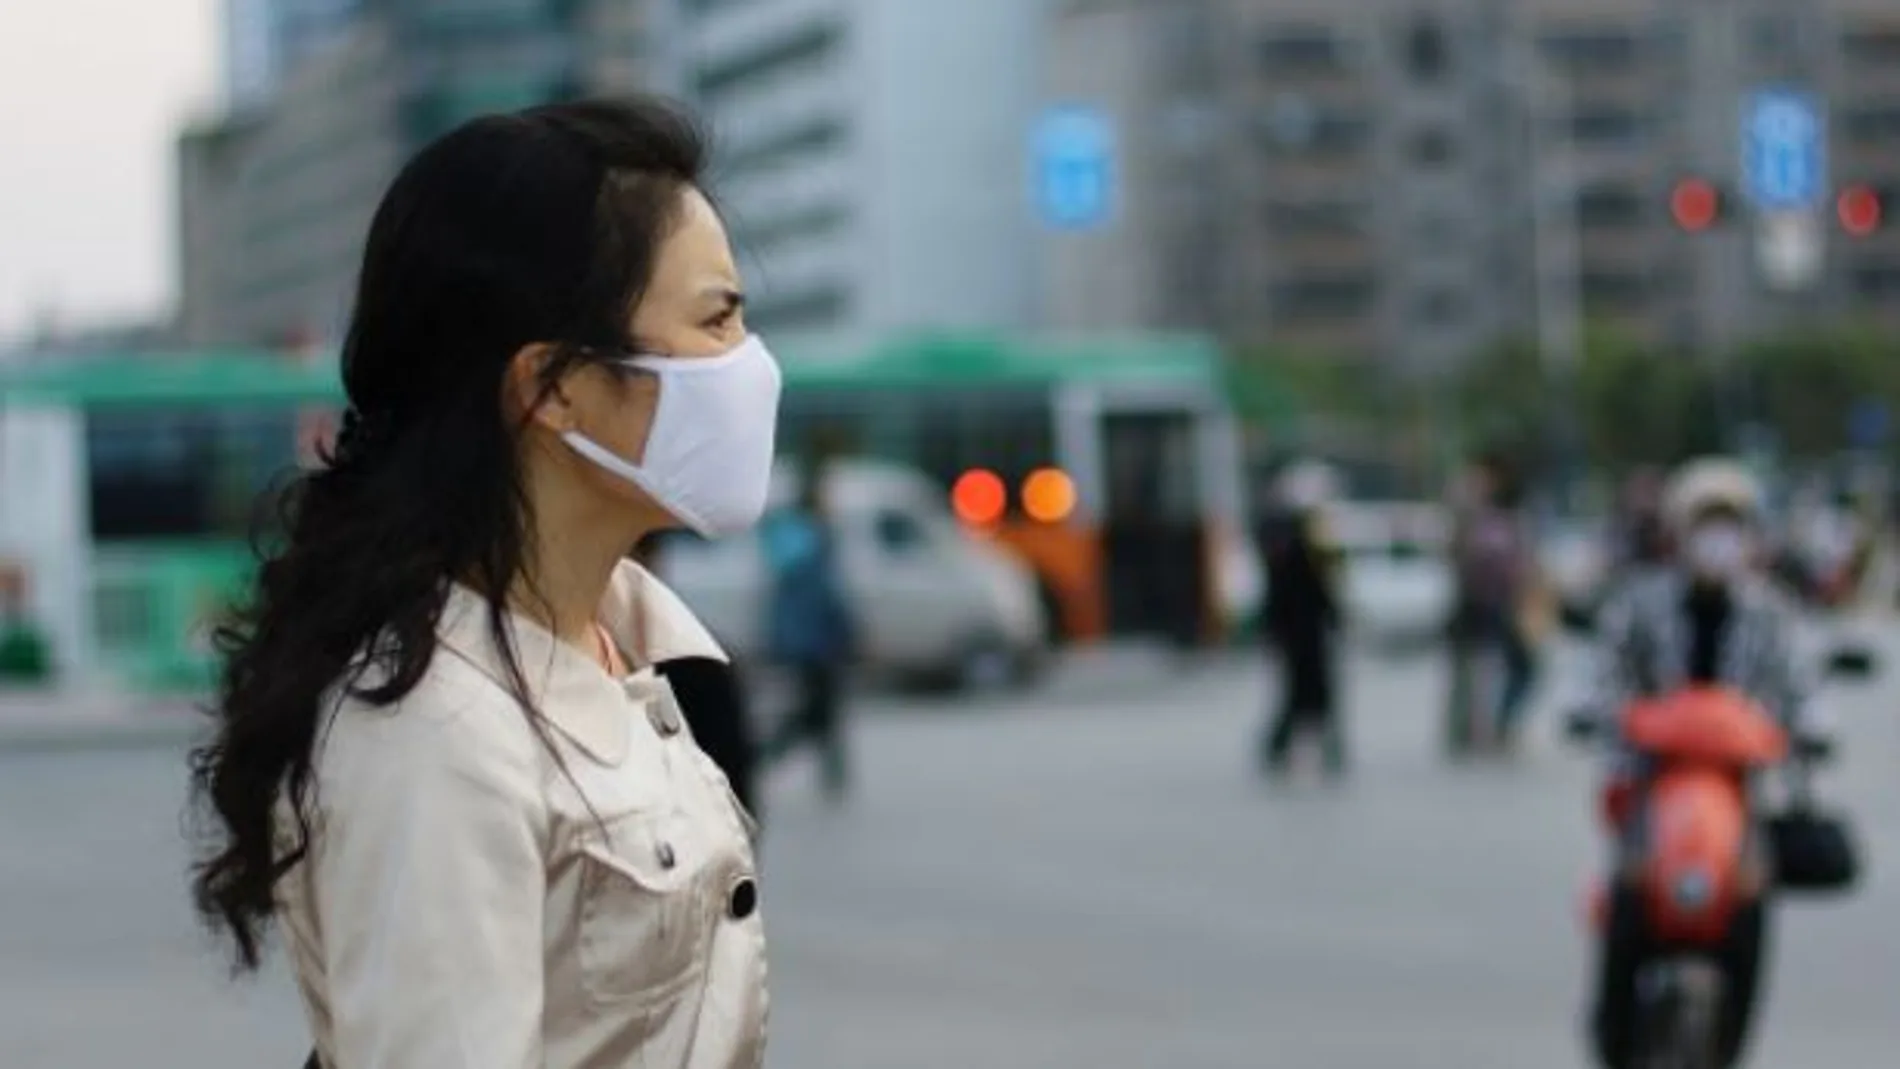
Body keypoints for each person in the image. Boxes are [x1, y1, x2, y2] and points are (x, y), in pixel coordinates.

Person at [188, 99, 779, 1069]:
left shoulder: (620, 638)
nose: (751, 367)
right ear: (552, 388)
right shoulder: (434, 727)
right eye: (715, 321)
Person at [1581, 457, 1819, 1069]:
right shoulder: (1640, 603)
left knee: (1750, 907)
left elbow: (1804, 694)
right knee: (1630, 896)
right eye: (1706, 523)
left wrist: (1809, 734)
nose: (1718, 539)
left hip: (1738, 792)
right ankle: (1613, 1039)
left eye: (1730, 524)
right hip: (1655, 784)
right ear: (1680, 531)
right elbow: (1602, 679)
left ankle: (1730, 1047)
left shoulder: (1771, 613)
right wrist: (1612, 724)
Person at [759, 462, 857, 799]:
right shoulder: (808, 539)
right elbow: (820, 594)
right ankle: (764, 755)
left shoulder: (800, 537)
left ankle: (832, 772)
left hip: (812, 637)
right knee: (817, 708)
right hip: (813, 640)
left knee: (822, 706)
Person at [1256, 460, 1346, 777]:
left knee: (1316, 692)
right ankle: (1281, 747)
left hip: (1310, 628)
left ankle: (1328, 748)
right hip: (1293, 629)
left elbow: (1330, 581)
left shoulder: (1315, 534)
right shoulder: (1282, 534)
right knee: (1298, 692)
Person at [1447, 448, 1539, 752]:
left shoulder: (1506, 514)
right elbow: (1466, 557)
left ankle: (1494, 727)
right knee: (1477, 671)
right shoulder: (1472, 516)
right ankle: (1476, 731)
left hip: (1503, 605)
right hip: (1481, 606)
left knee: (1517, 668)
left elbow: (1518, 560)